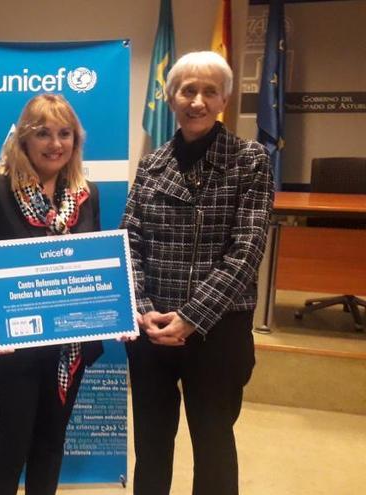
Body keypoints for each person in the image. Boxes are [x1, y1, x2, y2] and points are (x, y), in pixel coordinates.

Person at [120, 51, 273, 495]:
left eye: (209, 91)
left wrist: (190, 316)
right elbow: (129, 241)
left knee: (213, 444)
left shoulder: (250, 160)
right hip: (151, 332)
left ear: (224, 98)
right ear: (171, 98)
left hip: (217, 331)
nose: (198, 101)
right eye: (188, 90)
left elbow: (247, 250)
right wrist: (144, 308)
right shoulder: (151, 165)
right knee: (151, 445)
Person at [0, 93, 104, 495]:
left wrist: (114, 311)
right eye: (43, 133)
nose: (55, 144)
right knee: (12, 443)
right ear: (24, 140)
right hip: (15, 341)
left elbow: (95, 266)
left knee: (51, 443)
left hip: (69, 344)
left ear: (76, 141)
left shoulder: (87, 194)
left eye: (65, 134)